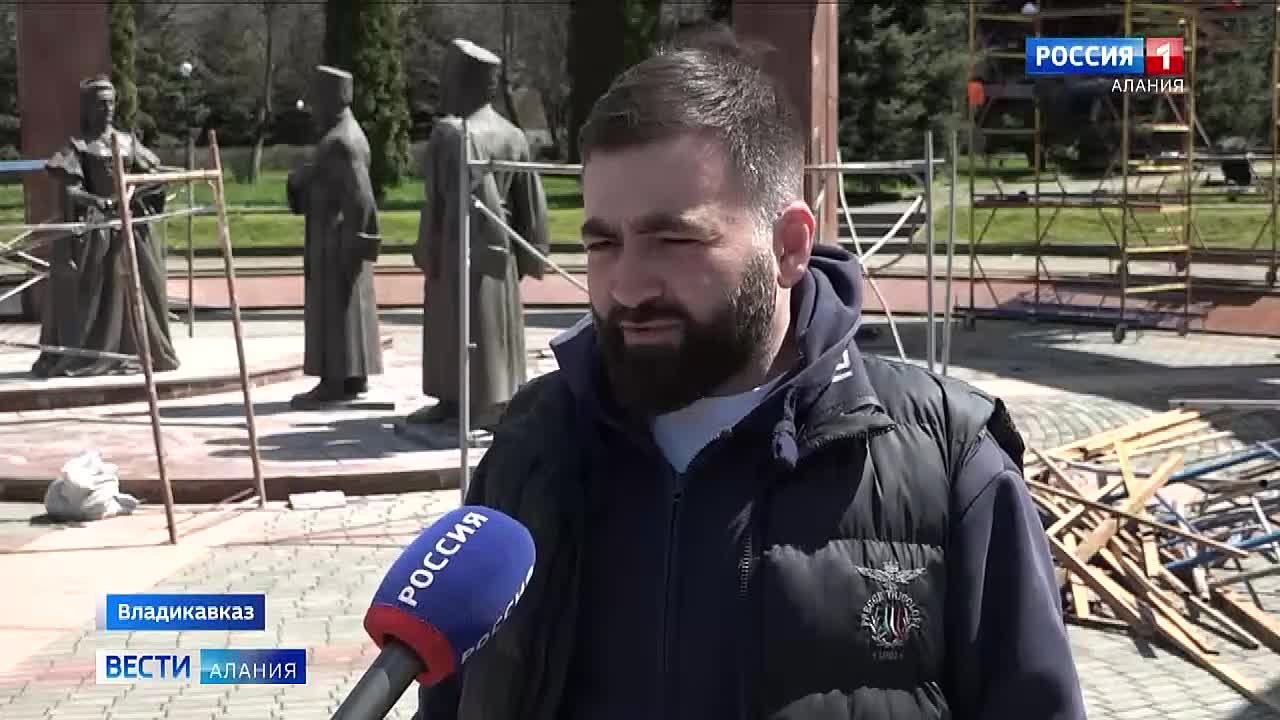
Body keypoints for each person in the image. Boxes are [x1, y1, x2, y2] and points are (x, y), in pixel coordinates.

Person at [418, 32, 1086, 720]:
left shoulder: (953, 463)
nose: (627, 286)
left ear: (789, 246)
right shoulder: (532, 446)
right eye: (603, 243)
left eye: (673, 239)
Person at [409, 38, 550, 430]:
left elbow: (436, 201)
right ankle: (472, 398)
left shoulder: (451, 134)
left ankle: (470, 401)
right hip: (498, 248)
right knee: (485, 323)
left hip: (458, 242)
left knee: (460, 322)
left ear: (464, 83)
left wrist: (427, 246)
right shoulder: (513, 135)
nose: (444, 86)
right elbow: (531, 205)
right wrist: (532, 253)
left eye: (449, 78)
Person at [32, 76, 179, 378]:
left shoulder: (128, 142)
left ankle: (139, 349)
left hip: (129, 226)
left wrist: (140, 192)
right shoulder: (78, 147)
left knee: (145, 282)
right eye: (100, 104)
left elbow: (153, 177)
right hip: (96, 229)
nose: (108, 108)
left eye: (111, 102)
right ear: (87, 108)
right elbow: (71, 191)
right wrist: (100, 202)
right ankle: (93, 352)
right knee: (94, 287)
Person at [286, 65, 383, 409]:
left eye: (317, 97)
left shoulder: (341, 140)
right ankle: (353, 375)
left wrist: (359, 240)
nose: (313, 106)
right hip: (337, 235)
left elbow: (362, 197)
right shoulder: (343, 134)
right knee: (346, 308)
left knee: (334, 310)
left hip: (335, 238)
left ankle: (334, 380)